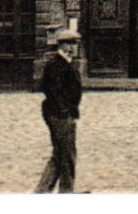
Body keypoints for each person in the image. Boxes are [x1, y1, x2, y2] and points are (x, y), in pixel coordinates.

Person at [36, 27, 82, 194]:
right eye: (72, 43)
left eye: (75, 43)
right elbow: (51, 90)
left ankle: (42, 191)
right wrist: (65, 112)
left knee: (59, 154)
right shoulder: (56, 65)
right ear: (63, 46)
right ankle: (66, 191)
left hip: (63, 114)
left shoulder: (67, 63)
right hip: (59, 115)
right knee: (68, 155)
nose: (75, 47)